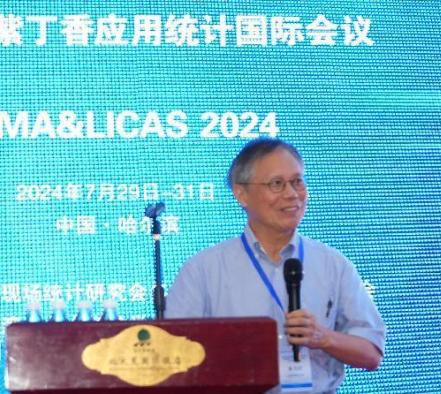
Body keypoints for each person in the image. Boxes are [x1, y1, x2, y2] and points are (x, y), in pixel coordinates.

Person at [165, 138, 385, 393]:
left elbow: (371, 354)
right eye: (276, 184)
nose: (292, 194)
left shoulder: (333, 264)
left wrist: (324, 337)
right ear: (241, 194)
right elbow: (172, 357)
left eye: (297, 181)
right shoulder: (202, 270)